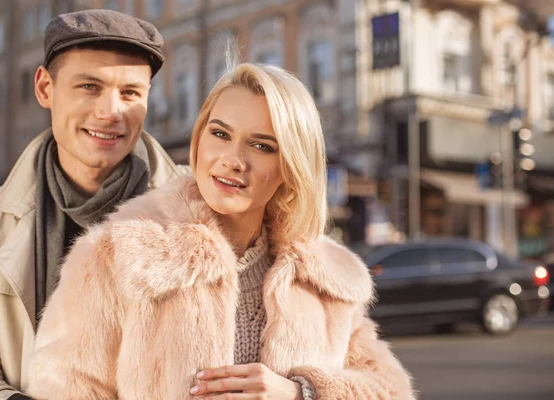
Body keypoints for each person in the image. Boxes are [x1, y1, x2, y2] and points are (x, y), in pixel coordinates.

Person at [26, 56, 416, 400]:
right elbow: (65, 390)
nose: (233, 160)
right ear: (199, 138)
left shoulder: (325, 277)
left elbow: (391, 390)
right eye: (220, 134)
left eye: (262, 146)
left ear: (292, 167)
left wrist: (302, 393)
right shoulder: (119, 256)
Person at [0, 10, 186, 400]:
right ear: (45, 88)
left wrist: (296, 390)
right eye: (90, 87)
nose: (110, 112)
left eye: (130, 93)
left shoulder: (201, 203)